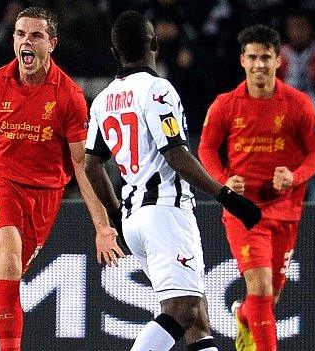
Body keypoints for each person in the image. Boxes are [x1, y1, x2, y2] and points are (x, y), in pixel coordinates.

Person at [0, 7, 124, 351]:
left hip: (44, 197)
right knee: (10, 258)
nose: (25, 41)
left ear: (52, 43)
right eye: (20, 34)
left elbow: (81, 165)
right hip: (0, 184)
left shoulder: (69, 97)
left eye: (35, 35)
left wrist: (102, 225)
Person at [84, 10, 261, 351]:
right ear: (154, 43)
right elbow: (176, 154)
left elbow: (92, 165)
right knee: (182, 309)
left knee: (197, 319)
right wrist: (227, 197)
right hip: (165, 210)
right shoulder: (157, 88)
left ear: (114, 51)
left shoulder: (104, 99)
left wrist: (118, 213)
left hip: (135, 218)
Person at [198, 24, 315, 351]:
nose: (259, 64)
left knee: (269, 299)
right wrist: (224, 181)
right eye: (253, 57)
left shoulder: (298, 104)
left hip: (285, 210)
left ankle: (243, 316)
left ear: (277, 61)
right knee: (261, 286)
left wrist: (295, 176)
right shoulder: (225, 105)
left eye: (266, 57)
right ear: (242, 60)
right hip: (244, 211)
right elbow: (206, 149)